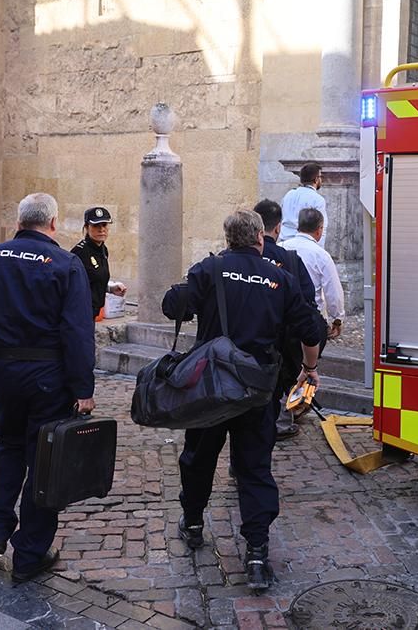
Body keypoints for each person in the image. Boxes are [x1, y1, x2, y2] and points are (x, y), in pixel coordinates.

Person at [0, 193, 96, 583]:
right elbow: (78, 332)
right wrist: (83, 387)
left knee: (7, 444)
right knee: (45, 461)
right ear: (53, 223)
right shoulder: (65, 264)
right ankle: (30, 554)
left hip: (4, 371)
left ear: (20, 221)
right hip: (49, 376)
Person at [162, 209, 324, 591]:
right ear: (260, 239)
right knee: (253, 468)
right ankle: (256, 553)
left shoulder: (210, 269)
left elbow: (172, 305)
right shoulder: (280, 278)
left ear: (228, 238)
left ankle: (194, 522)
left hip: (212, 388)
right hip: (256, 389)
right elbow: (311, 328)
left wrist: (191, 290)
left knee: (199, 457)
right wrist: (309, 368)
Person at [252, 198, 322, 441]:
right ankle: (279, 424)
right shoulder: (289, 261)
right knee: (274, 394)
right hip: (281, 347)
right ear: (278, 227)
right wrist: (309, 365)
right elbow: (307, 311)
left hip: (240, 348)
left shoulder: (227, 263)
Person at [281, 207, 344, 344]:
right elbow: (333, 292)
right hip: (310, 319)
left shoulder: (281, 247)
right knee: (309, 362)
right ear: (319, 229)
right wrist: (337, 319)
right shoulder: (322, 256)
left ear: (298, 226)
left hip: (282, 317)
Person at [70, 206, 128, 321]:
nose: (101, 229)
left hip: (94, 312)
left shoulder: (103, 249)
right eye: (96, 225)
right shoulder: (80, 252)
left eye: (104, 225)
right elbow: (74, 284)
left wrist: (110, 288)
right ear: (86, 227)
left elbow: (94, 280)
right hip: (80, 313)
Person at [279, 162, 327, 247]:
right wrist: (319, 249)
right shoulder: (317, 199)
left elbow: (281, 218)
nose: (321, 180)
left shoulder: (289, 194)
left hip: (284, 244)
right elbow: (321, 227)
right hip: (304, 245)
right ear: (316, 179)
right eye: (320, 177)